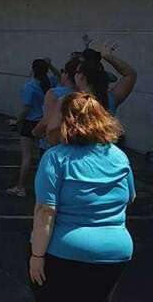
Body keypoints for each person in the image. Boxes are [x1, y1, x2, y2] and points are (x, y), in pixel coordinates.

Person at [29, 92, 133, 302]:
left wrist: (37, 256)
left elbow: (45, 211)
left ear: (64, 120)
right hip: (116, 251)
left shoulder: (55, 157)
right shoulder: (118, 155)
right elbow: (130, 197)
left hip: (66, 251)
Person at [7, 59, 58, 197]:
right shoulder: (50, 83)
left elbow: (26, 107)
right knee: (44, 153)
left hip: (30, 122)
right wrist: (51, 65)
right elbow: (59, 77)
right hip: (44, 120)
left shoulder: (30, 86)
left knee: (27, 156)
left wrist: (17, 121)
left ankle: (21, 186)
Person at [73, 42, 137, 115]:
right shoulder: (110, 100)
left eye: (76, 72)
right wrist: (108, 56)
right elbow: (130, 74)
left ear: (81, 76)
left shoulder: (68, 102)